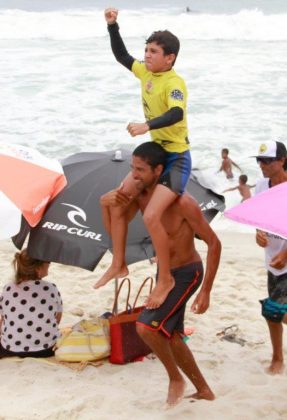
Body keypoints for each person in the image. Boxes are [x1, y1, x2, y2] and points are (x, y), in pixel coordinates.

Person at [100, 142, 221, 407]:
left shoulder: (183, 202)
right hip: (165, 272)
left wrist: (206, 290)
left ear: (158, 170)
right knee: (171, 334)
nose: (134, 175)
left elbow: (214, 243)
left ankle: (175, 378)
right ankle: (204, 390)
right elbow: (113, 232)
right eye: (132, 168)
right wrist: (105, 205)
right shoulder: (142, 198)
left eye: (140, 170)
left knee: (146, 327)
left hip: (188, 272)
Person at [95, 8, 191, 309]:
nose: (147, 55)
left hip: (175, 157)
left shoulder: (175, 83)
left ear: (170, 58)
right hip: (155, 153)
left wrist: (146, 125)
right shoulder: (146, 73)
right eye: (146, 50)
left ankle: (166, 279)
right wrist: (112, 26)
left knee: (150, 215)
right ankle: (119, 263)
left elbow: (177, 113)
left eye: (153, 51)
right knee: (115, 200)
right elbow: (122, 56)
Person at [254, 140, 287, 374]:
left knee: (277, 310)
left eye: (267, 160)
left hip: (284, 255)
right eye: (259, 160)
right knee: (275, 312)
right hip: (274, 259)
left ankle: (277, 358)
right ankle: (277, 357)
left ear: (283, 160)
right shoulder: (261, 186)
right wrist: (259, 233)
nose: (262, 165)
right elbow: (259, 218)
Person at [0, 249, 63, 358]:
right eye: (48, 261)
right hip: (46, 349)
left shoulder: (8, 288)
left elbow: (3, 319)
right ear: (38, 269)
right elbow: (57, 318)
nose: (49, 263)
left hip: (11, 349)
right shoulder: (51, 288)